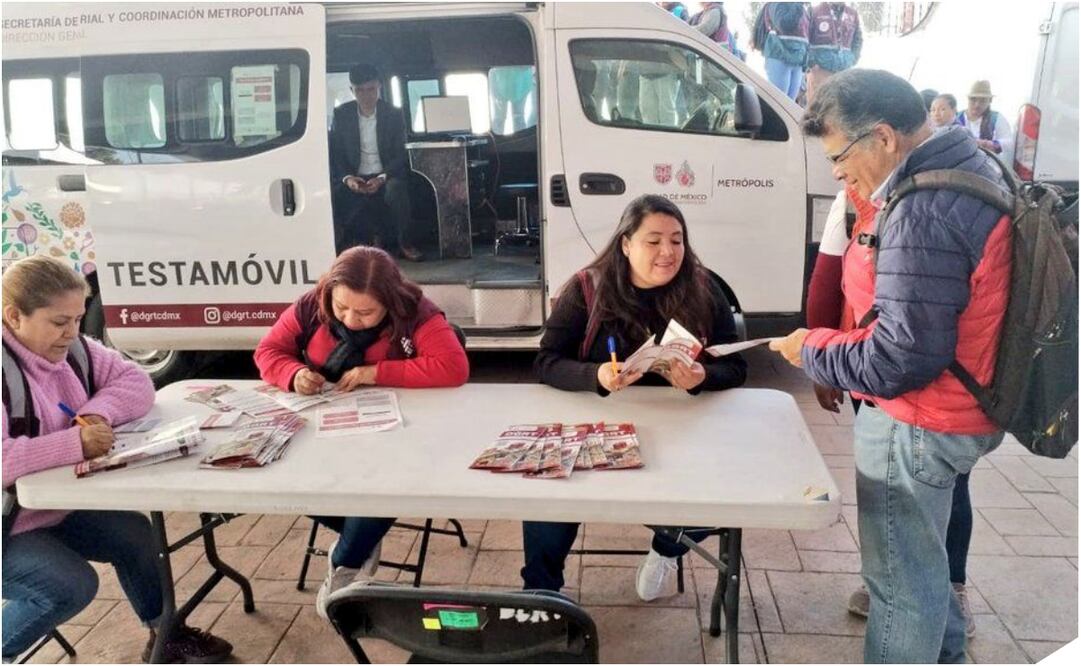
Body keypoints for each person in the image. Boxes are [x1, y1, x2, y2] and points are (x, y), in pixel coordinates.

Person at [771, 69, 1011, 663]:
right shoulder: (969, 165)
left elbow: (903, 356)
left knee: (900, 589)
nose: (834, 171)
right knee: (927, 573)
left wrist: (814, 349)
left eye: (838, 155)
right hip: (963, 406)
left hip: (919, 421)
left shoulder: (922, 208)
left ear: (882, 137)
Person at [1, 256, 232, 664]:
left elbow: (137, 381)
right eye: (59, 322)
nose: (72, 332)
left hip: (46, 508)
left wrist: (98, 413)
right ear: (13, 316)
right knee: (71, 585)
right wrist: (75, 443)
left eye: (78, 318)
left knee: (136, 535)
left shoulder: (76, 350)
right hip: (9, 525)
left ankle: (167, 637)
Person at [526, 195, 747, 600]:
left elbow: (735, 366)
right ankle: (541, 592)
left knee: (725, 490)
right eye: (654, 241)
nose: (668, 252)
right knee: (549, 491)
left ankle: (667, 549)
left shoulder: (703, 286)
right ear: (626, 244)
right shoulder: (586, 289)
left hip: (681, 427)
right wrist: (594, 375)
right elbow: (545, 362)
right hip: (599, 423)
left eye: (677, 240)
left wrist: (700, 376)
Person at [253, 246, 469, 617]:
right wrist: (293, 373)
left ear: (389, 301)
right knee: (283, 477)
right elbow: (268, 350)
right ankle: (362, 538)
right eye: (341, 308)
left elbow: (453, 367)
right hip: (324, 426)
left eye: (365, 312)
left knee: (388, 484)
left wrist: (377, 372)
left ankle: (347, 559)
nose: (351, 320)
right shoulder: (310, 305)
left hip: (397, 434)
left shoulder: (416, 312)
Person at [805, 187, 979, 638]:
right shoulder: (853, 198)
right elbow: (826, 278)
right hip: (870, 368)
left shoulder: (941, 194)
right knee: (883, 485)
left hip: (942, 386)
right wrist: (824, 364)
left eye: (840, 151)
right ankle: (890, 583)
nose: (837, 167)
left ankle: (950, 586)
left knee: (946, 486)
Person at [329, 64, 423, 262]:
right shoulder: (342, 114)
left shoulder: (394, 114)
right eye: (359, 90)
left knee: (396, 191)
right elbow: (336, 154)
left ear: (379, 86)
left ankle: (405, 243)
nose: (366, 95)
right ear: (351, 90)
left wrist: (381, 177)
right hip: (355, 174)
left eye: (370, 89)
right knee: (333, 195)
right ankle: (353, 247)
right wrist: (348, 178)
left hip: (385, 173)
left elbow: (400, 153)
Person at [806, 3, 863, 104]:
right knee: (816, 106)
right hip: (820, 70)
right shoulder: (814, 11)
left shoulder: (852, 14)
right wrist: (811, 62)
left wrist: (853, 58)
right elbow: (805, 37)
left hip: (843, 70)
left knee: (838, 108)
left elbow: (858, 38)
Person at [753, 2, 811, 101]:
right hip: (779, 55)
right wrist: (797, 5)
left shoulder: (802, 8)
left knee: (789, 103)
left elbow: (806, 37)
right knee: (778, 101)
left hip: (797, 60)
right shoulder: (777, 4)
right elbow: (784, 24)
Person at [958, 80, 1013, 161]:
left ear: (990, 101)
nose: (977, 104)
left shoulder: (996, 118)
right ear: (968, 99)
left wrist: (989, 144)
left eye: (982, 100)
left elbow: (1009, 143)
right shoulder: (956, 118)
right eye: (973, 99)